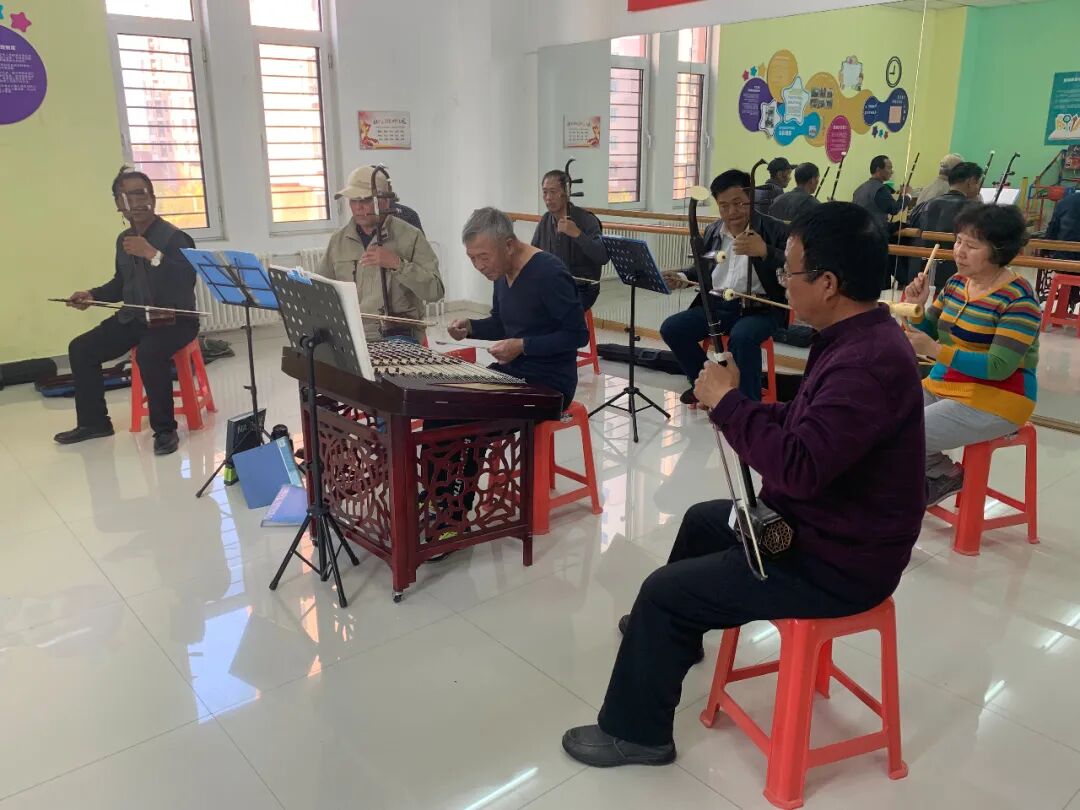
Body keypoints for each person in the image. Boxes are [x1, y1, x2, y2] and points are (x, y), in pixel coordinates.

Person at [561, 202, 926, 767]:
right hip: (826, 528)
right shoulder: (854, 337)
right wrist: (739, 405)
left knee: (662, 592)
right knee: (703, 520)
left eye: (790, 271)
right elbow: (805, 424)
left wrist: (731, 404)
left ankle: (638, 734)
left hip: (840, 562)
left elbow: (797, 469)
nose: (783, 281)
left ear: (828, 284)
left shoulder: (864, 363)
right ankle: (674, 634)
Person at [54, 167, 199, 456]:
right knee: (81, 348)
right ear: (118, 205)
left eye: (140, 194)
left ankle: (165, 429)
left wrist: (152, 254)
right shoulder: (124, 240)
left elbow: (185, 282)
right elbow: (121, 284)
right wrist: (92, 295)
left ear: (152, 198)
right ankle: (94, 423)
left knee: (149, 354)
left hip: (175, 320)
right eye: (127, 197)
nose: (135, 202)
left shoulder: (175, 238)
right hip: (135, 317)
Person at [903, 203, 1040, 507]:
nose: (959, 252)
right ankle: (915, 475)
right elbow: (929, 330)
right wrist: (917, 307)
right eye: (958, 241)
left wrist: (935, 351)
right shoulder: (956, 284)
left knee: (907, 432)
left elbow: (999, 367)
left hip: (997, 396)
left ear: (999, 251)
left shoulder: (1019, 299)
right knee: (882, 414)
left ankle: (943, 472)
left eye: (972, 246)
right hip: (946, 383)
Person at [660, 169, 788, 405]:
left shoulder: (775, 230)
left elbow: (796, 266)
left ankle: (747, 406)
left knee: (742, 336)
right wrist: (681, 276)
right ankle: (706, 385)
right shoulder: (713, 231)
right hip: (718, 305)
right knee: (672, 328)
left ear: (751, 199)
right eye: (724, 206)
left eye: (738, 203)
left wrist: (766, 251)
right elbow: (703, 268)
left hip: (760, 309)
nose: (732, 212)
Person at [449, 207, 588, 407]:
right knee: (444, 403)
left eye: (484, 257)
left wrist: (523, 346)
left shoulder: (549, 273)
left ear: (509, 245)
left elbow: (577, 335)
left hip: (550, 382)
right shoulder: (501, 272)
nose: (479, 266)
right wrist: (470, 327)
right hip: (513, 371)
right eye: (472, 258)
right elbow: (502, 323)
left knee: (459, 411)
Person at [317, 165, 444, 342]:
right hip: (354, 334)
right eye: (353, 200)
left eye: (365, 200)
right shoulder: (338, 241)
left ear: (384, 202)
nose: (358, 207)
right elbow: (320, 289)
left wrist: (397, 264)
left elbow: (435, 291)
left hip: (399, 335)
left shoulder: (411, 236)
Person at [531, 170, 609, 310]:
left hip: (582, 288)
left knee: (553, 309)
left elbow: (602, 256)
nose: (548, 198)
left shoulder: (587, 219)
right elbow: (533, 253)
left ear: (567, 192)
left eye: (553, 192)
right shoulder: (546, 220)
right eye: (545, 192)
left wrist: (578, 234)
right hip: (552, 283)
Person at [904, 161, 983, 287]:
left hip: (918, 273)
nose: (979, 188)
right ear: (971, 182)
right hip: (955, 276)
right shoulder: (975, 210)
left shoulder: (923, 205)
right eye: (978, 183)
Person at [852, 154, 913, 234]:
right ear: (878, 170)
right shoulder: (879, 189)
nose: (891, 171)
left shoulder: (858, 190)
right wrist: (907, 195)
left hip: (860, 232)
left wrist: (902, 196)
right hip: (875, 233)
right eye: (889, 168)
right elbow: (894, 209)